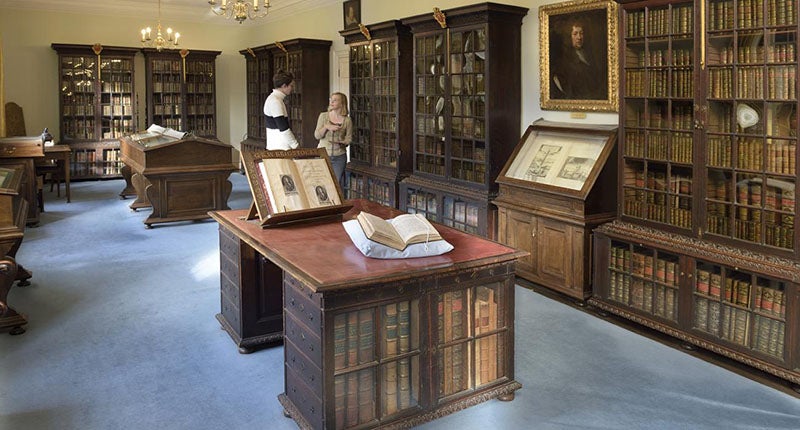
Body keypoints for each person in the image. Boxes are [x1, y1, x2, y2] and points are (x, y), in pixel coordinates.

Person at [551, 20, 607, 100]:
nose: (579, 37)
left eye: (581, 33)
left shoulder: (589, 55)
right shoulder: (563, 62)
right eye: (575, 34)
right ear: (569, 37)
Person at [314, 92, 352, 189]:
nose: (332, 102)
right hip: (323, 154)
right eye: (331, 99)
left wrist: (343, 142)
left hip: (339, 157)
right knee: (321, 182)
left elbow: (349, 139)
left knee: (336, 184)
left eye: (335, 100)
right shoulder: (323, 116)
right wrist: (326, 127)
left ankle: (336, 203)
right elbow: (317, 135)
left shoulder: (347, 120)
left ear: (342, 103)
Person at [263, 70, 300, 150]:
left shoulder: (275, 99)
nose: (292, 88)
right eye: (291, 86)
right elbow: (283, 127)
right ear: (284, 86)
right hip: (279, 147)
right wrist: (295, 145)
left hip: (277, 146)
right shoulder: (275, 101)